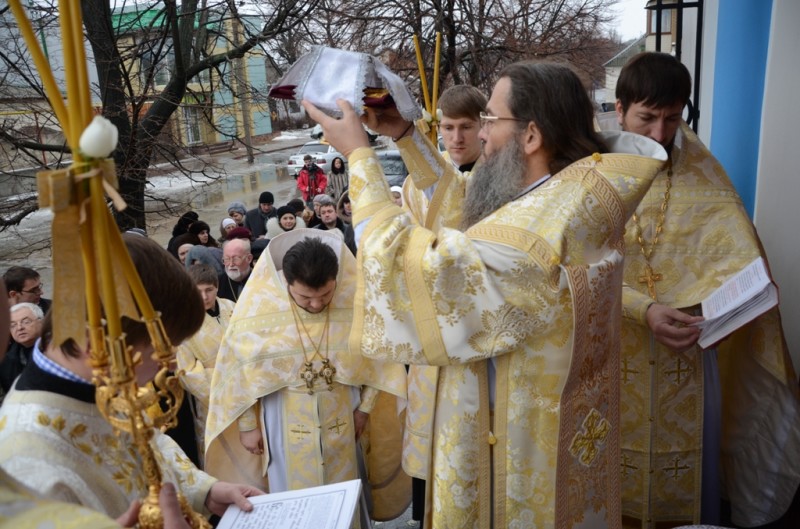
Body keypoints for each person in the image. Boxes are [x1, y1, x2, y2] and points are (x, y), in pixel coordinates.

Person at [304, 60, 667, 527]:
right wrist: (404, 135)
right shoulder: (565, 197)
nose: (480, 135)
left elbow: (410, 262)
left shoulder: (534, 235)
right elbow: (462, 203)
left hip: (516, 455)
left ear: (531, 136)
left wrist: (358, 155)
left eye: (491, 121)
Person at [602, 51, 800, 528]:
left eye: (672, 119)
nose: (659, 134)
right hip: (612, 348)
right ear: (619, 108)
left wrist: (738, 302)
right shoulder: (592, 173)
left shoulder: (703, 177)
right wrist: (641, 308)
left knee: (685, 476)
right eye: (646, 118)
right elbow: (572, 265)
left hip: (686, 358)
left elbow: (736, 252)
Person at [0, 234, 261, 521]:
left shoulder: (105, 381)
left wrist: (206, 491)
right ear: (98, 343)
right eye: (161, 350)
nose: (172, 362)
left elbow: (147, 452)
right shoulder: (25, 463)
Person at [205, 230, 408, 515]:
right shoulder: (259, 309)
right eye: (305, 297)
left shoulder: (354, 301)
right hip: (282, 417)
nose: (316, 304)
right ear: (286, 282)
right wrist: (247, 425)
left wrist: (365, 408)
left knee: (346, 492)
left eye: (325, 295)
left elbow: (380, 359)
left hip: (344, 413)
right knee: (294, 500)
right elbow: (238, 370)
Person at [396, 84, 487, 527]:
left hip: (476, 326)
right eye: (447, 127)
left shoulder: (498, 177)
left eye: (466, 127)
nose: (455, 138)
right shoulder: (417, 184)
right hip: (429, 323)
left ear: (483, 126)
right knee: (429, 432)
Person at [176, 264, 236, 468]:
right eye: (197, 291)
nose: (204, 297)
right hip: (212, 404)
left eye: (208, 290)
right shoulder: (183, 322)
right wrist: (229, 384)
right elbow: (187, 372)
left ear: (217, 287)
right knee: (223, 462)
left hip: (248, 394)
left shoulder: (232, 308)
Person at [1, 302, 44, 395]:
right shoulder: (6, 362)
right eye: (13, 325)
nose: (19, 328)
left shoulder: (57, 351)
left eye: (26, 322)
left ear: (41, 322)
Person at [217, 238, 253, 303]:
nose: (231, 264)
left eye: (236, 259)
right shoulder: (217, 284)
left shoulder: (262, 279)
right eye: (226, 259)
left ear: (249, 259)